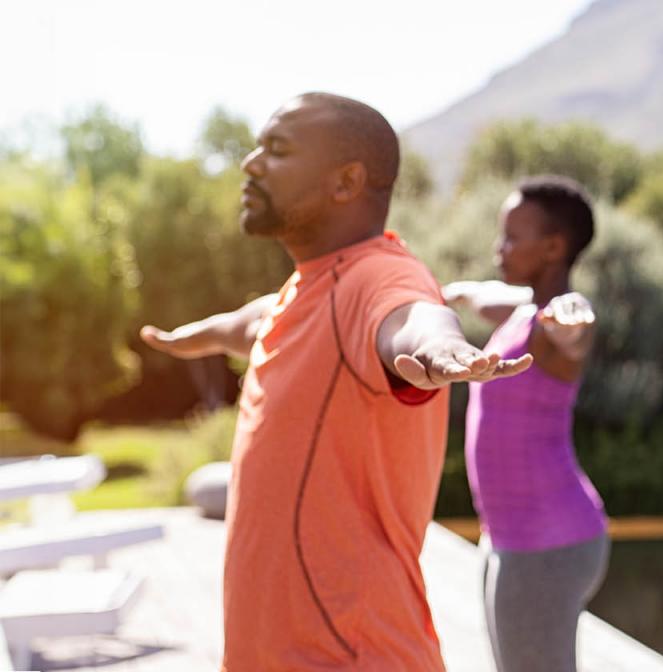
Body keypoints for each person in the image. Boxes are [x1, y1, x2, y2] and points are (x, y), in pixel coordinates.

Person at [140, 92, 530, 671]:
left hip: (353, 656)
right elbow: (249, 322)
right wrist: (196, 335)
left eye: (276, 150)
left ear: (346, 182)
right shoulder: (304, 291)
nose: (250, 163)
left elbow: (412, 317)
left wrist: (442, 349)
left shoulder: (378, 277)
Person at [442, 175, 608, 672]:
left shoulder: (553, 323)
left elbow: (574, 330)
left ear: (554, 247)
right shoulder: (521, 310)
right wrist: (446, 292)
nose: (500, 247)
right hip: (509, 536)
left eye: (513, 236)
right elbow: (484, 293)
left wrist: (573, 323)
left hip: (547, 542)